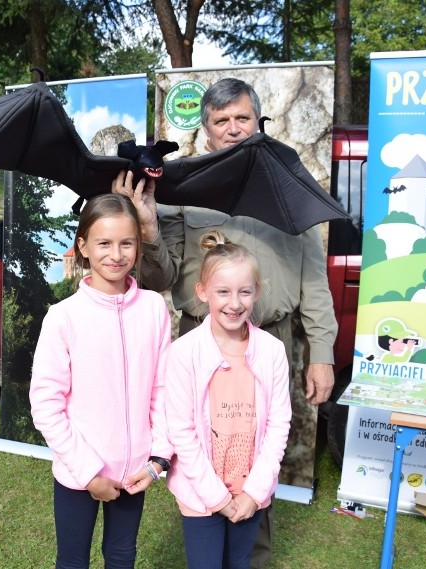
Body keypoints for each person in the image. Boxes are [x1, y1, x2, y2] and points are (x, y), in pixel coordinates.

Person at [112, 77, 338, 568]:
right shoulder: (178, 190)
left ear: (258, 120)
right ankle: (207, 542)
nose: (233, 129)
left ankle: (249, 558)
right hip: (201, 341)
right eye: (221, 121)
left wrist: (320, 353)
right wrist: (149, 229)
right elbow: (160, 276)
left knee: (257, 455)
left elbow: (315, 283)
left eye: (241, 118)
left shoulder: (292, 185)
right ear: (208, 130)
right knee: (202, 454)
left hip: (272, 343)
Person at [29, 193, 173, 568]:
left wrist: (157, 459)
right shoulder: (63, 317)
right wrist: (89, 473)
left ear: (138, 246)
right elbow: (47, 406)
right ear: (83, 247)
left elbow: (163, 390)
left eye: (126, 243)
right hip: (80, 474)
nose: (116, 254)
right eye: (104, 243)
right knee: (73, 560)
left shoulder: (154, 309)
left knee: (122, 555)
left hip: (136, 471)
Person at [164, 230, 291, 569]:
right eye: (223, 292)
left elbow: (279, 425)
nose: (234, 303)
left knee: (240, 562)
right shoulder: (183, 353)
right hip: (202, 493)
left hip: (250, 490)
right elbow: (182, 431)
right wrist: (216, 497)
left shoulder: (273, 351)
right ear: (202, 292)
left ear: (256, 292)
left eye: (244, 292)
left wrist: (254, 491)